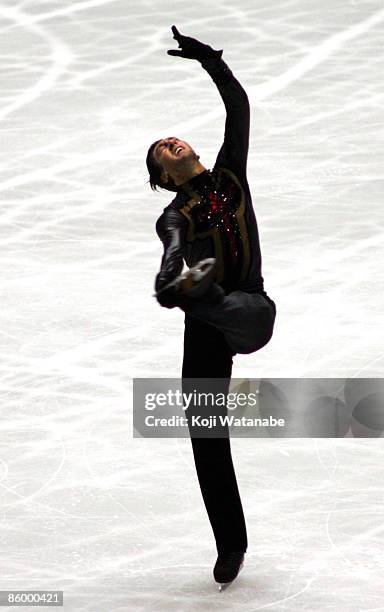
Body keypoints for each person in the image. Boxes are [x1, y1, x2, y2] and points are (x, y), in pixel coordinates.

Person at [146, 25, 276, 588]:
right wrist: (172, 280)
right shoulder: (173, 215)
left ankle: (206, 292)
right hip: (208, 325)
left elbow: (238, 105)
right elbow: (170, 257)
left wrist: (209, 60)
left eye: (172, 138)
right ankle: (232, 544)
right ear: (162, 177)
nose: (170, 142)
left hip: (249, 307)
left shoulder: (230, 174)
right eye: (160, 152)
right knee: (204, 425)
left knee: (229, 305)